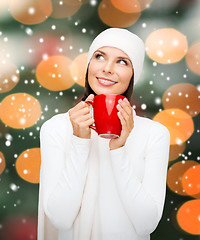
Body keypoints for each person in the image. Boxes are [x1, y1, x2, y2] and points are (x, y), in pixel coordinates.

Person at [37, 28, 170, 240]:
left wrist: (118, 150)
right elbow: (60, 219)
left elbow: (146, 224)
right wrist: (79, 141)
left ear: (134, 74)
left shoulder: (154, 134)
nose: (107, 69)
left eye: (122, 61)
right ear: (89, 64)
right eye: (99, 57)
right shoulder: (56, 128)